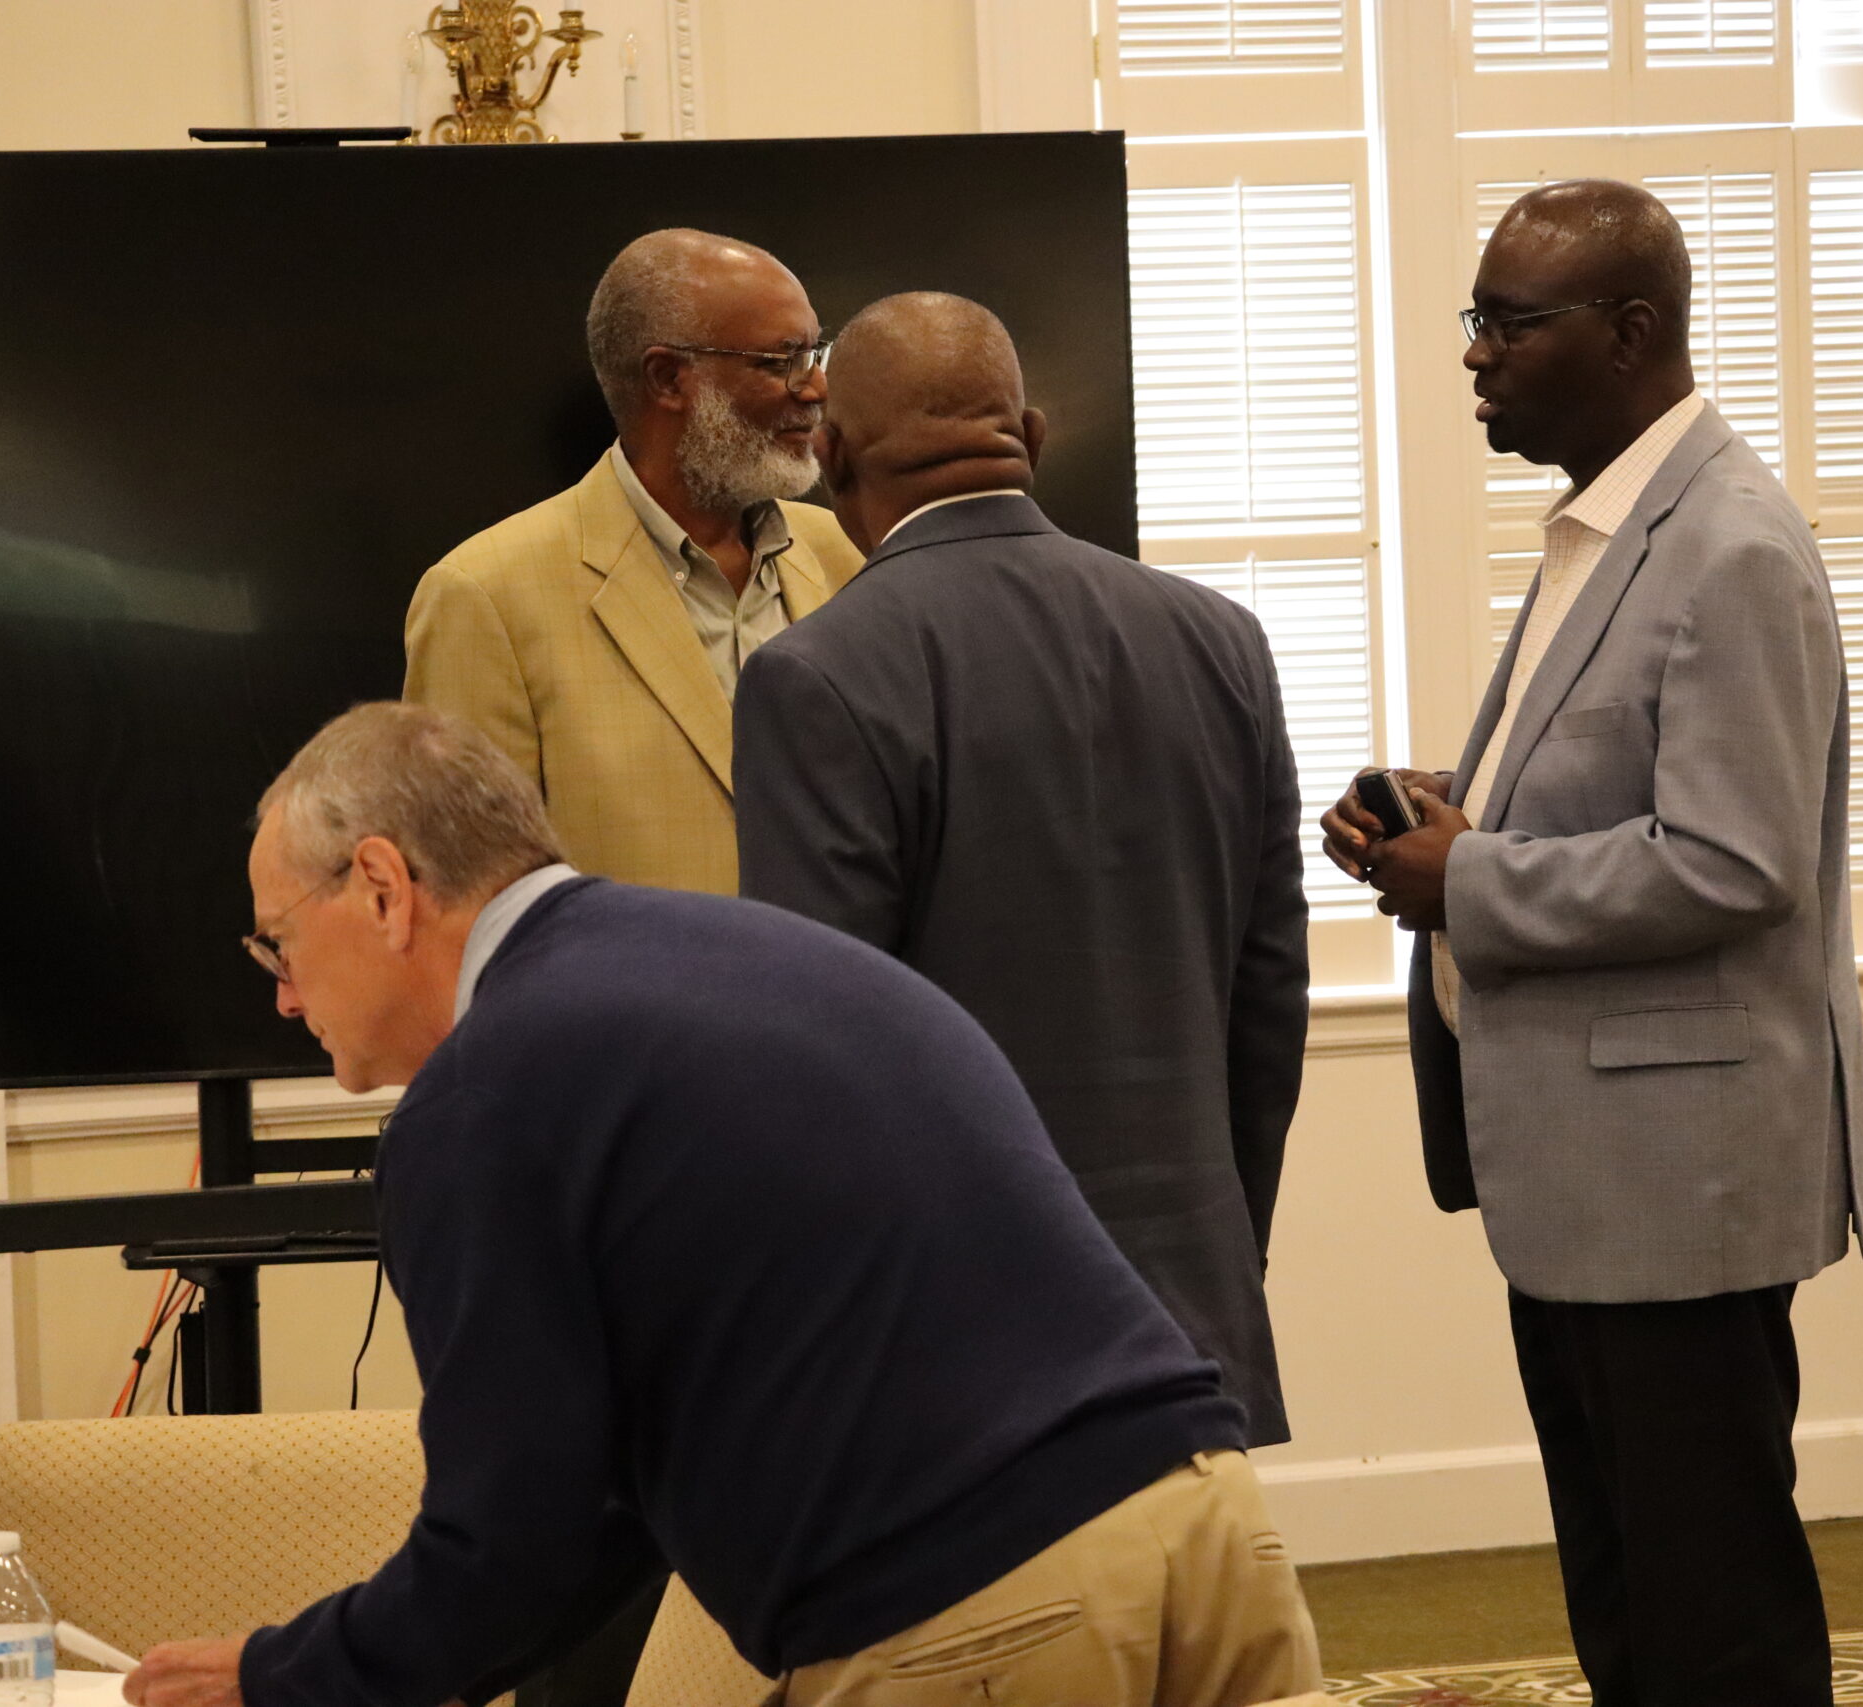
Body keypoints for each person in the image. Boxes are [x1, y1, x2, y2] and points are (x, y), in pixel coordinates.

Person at [122, 702, 1323, 1707]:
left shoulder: (481, 1098)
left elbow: (508, 1539)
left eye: (277, 944)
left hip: (979, 1606)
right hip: (1210, 1525)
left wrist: (283, 1677)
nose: (284, 999)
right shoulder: (752, 955)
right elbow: (596, 1509)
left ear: (382, 887)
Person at [1320, 180, 1863, 1706]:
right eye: (1478, 319)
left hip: (1674, 1179)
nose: (1476, 353)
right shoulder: (1611, 524)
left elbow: (1735, 858)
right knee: (1632, 1600)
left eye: (1510, 323)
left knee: (1714, 1618)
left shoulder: (1730, 544)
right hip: (1591, 1167)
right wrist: (1445, 810)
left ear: (1630, 332)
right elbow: (1613, 785)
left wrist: (1470, 877)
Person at [731, 292, 1309, 1448]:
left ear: (830, 460)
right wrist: (1221, 1245)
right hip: (1189, 1307)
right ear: (1031, 438)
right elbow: (1267, 995)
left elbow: (821, 1055)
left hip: (951, 1339)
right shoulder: (1220, 640)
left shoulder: (816, 676)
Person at [404, 227, 864, 893]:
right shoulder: (485, 595)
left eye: (815, 353)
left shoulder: (845, 552)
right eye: (780, 362)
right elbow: (466, 891)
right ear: (668, 379)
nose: (816, 387)